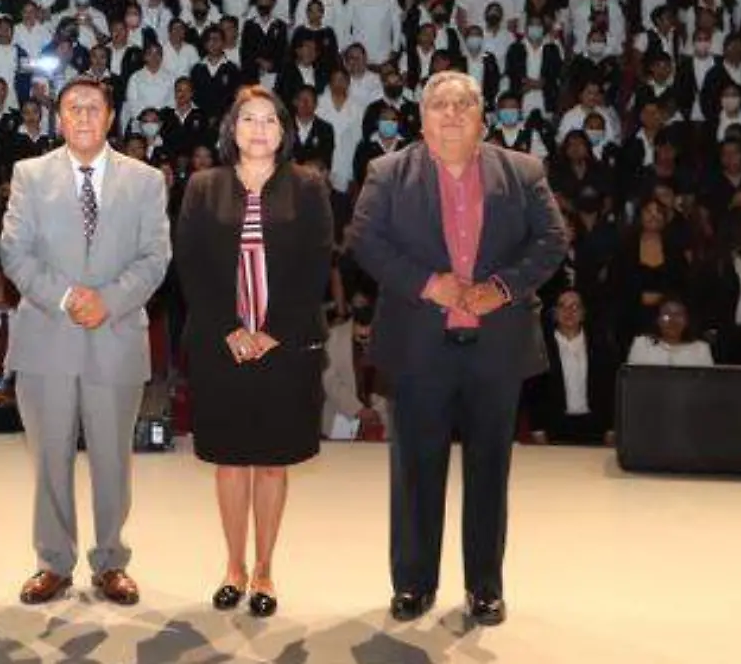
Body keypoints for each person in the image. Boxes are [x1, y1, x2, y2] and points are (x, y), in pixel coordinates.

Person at [347, 70, 569, 627]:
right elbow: (365, 241)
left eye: (463, 105)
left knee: (490, 469)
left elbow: (553, 241)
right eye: (439, 105)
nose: (450, 114)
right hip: (421, 348)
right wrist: (428, 284)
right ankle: (414, 584)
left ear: (482, 118)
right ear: (421, 119)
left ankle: (485, 588)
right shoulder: (388, 173)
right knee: (415, 470)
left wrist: (502, 288)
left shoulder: (523, 172)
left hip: (495, 350)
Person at [0, 76, 172, 608]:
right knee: (50, 457)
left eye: (93, 108)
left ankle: (111, 562)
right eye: (72, 108)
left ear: (111, 117)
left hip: (115, 337)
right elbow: (15, 252)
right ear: (58, 118)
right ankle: (53, 562)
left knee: (112, 459)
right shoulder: (29, 174)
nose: (82, 116)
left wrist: (109, 301)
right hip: (48, 339)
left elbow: (155, 257)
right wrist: (71, 297)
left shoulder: (145, 180)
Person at [174, 85, 333, 618]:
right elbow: (190, 264)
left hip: (283, 346)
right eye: (248, 119)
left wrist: (272, 331)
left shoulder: (308, 186)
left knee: (270, 462)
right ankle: (233, 566)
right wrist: (228, 329)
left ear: (284, 132)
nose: (259, 129)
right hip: (222, 345)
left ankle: (264, 569)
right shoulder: (203, 186)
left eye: (270, 119)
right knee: (229, 459)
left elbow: (316, 266)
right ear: (231, 129)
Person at [525, 289, 617, 446]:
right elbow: (534, 392)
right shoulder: (540, 347)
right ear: (554, 312)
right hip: (554, 428)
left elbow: (610, 389)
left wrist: (611, 430)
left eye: (575, 306)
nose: (569, 311)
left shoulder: (601, 346)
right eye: (562, 306)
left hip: (594, 427)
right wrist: (538, 431)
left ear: (583, 313)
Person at [625, 299, 716, 367]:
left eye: (678, 315)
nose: (672, 320)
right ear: (658, 320)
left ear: (687, 321)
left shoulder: (701, 349)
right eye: (666, 315)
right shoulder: (642, 344)